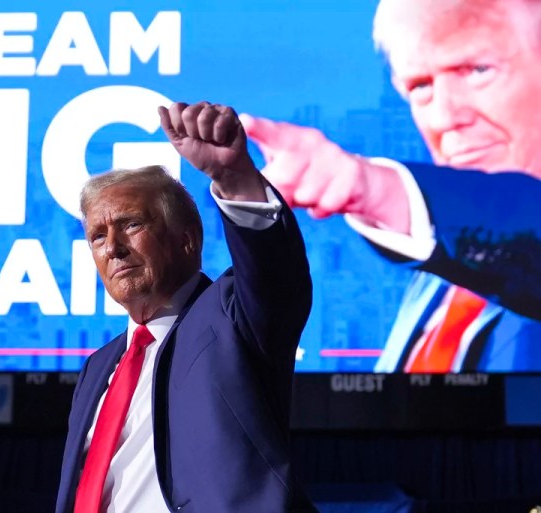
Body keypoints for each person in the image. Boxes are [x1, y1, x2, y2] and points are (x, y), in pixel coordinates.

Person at [241, 0, 541, 372]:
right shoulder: (437, 272)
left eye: (479, 70)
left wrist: (373, 187)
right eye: (420, 86)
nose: (444, 117)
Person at [55, 102, 314, 513]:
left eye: (131, 225)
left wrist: (236, 179)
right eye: (97, 237)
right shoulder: (98, 367)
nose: (114, 249)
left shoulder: (232, 317)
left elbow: (276, 276)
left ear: (186, 240)